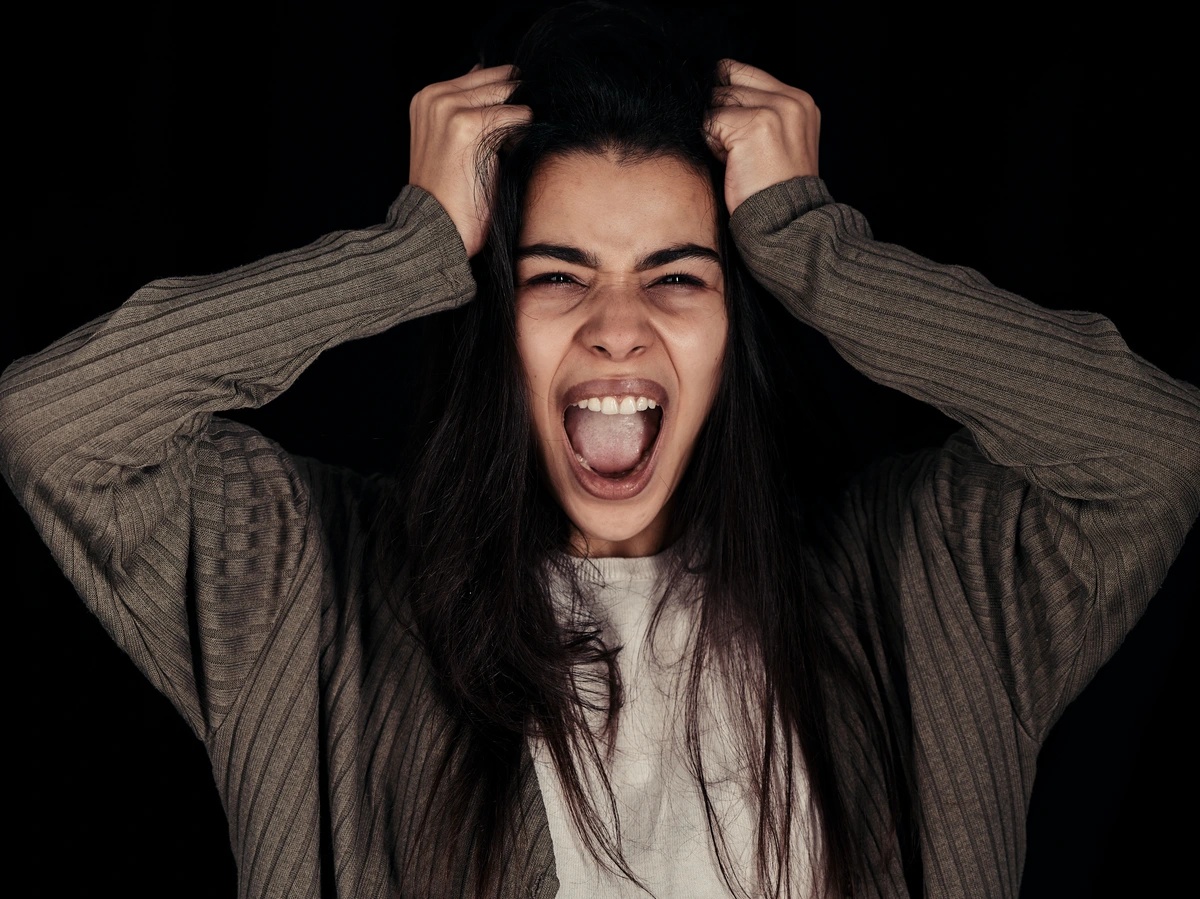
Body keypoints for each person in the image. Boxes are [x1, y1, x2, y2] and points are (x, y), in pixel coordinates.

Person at [4, 2, 1196, 897]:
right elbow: (58, 425)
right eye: (556, 275)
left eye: (676, 278)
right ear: (495, 325)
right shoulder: (316, 594)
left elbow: (1152, 450)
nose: (616, 328)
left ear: (736, 326)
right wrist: (403, 253)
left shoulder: (931, 586)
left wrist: (819, 250)